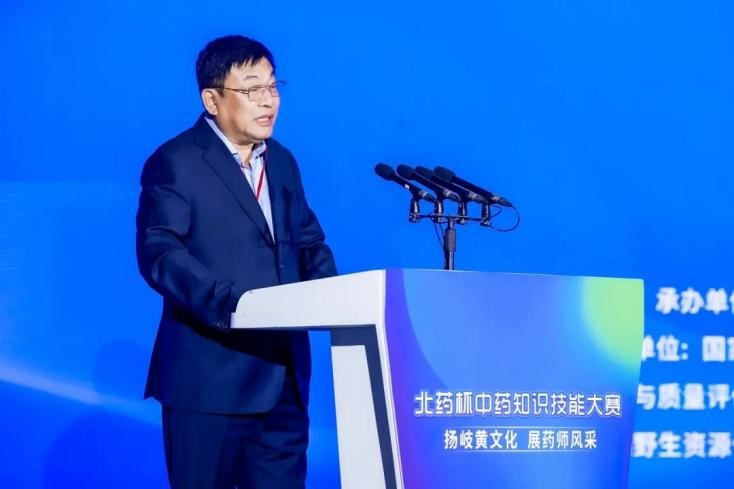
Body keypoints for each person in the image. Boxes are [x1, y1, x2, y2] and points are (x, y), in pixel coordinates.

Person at [135, 35, 337, 489]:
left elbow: (308, 242)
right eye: (252, 89)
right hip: (210, 381)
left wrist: (337, 299)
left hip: (283, 382)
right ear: (212, 100)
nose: (268, 101)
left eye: (273, 86)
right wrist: (232, 304)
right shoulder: (177, 161)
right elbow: (160, 251)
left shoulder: (282, 162)